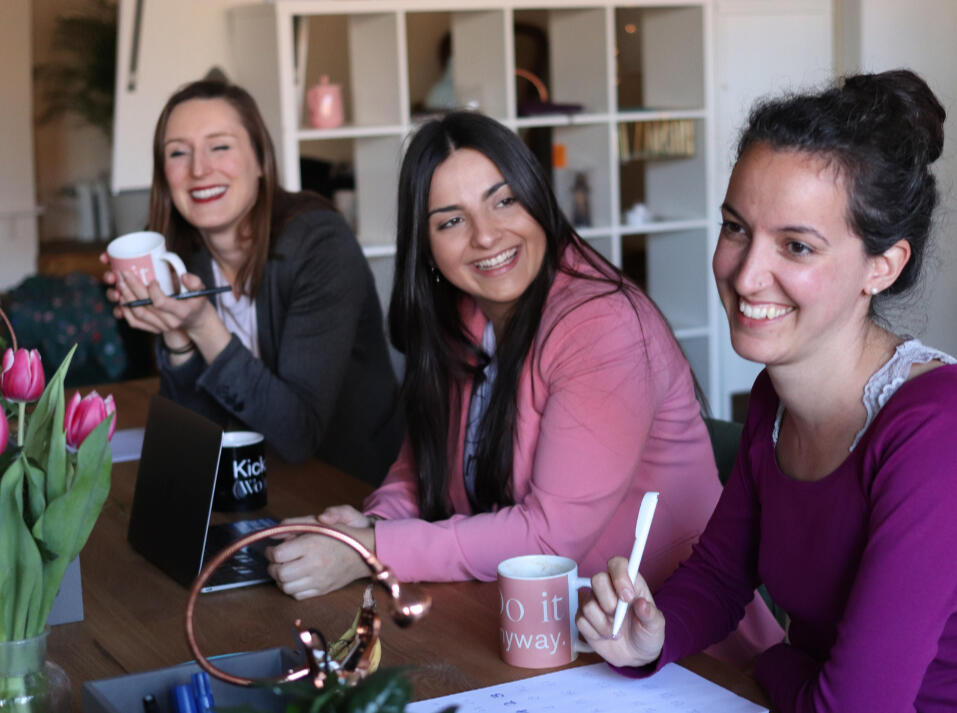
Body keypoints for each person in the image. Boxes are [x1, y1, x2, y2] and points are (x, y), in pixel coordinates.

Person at [265, 111, 781, 663]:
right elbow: (420, 469)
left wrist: (371, 551)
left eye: (504, 200)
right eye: (450, 221)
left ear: (538, 199)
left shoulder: (601, 324)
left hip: (673, 649)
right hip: (540, 636)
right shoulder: (462, 316)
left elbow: (550, 540)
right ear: (426, 246)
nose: (486, 235)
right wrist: (371, 523)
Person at [577, 69, 957, 712]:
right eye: (736, 227)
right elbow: (724, 575)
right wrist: (651, 637)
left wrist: (776, 664)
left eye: (797, 246)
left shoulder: (935, 431)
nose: (748, 274)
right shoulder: (773, 398)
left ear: (882, 266)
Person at [103, 80, 403, 484]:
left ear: (261, 160)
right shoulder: (184, 260)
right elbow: (195, 441)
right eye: (178, 152)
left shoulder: (320, 245)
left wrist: (203, 326)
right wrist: (177, 337)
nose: (198, 169)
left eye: (220, 146)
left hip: (351, 489)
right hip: (254, 484)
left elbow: (298, 435)